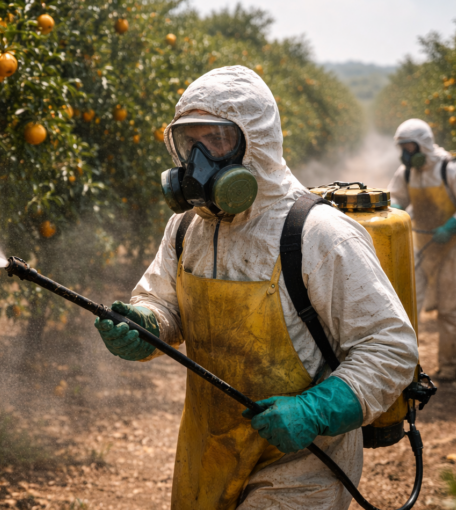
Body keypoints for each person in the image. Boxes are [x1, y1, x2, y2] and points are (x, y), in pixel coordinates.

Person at [92, 66, 419, 510]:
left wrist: (316, 410)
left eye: (217, 140)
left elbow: (391, 346)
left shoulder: (318, 233)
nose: (199, 160)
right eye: (191, 143)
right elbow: (162, 302)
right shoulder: (187, 226)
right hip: (209, 449)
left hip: (302, 462)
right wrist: (144, 322)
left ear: (257, 141)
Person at [387, 119, 456, 381]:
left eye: (409, 148)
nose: (406, 154)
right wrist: (395, 209)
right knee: (405, 306)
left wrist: (452, 226)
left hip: (455, 247)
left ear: (424, 145)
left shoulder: (452, 170)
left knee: (451, 309)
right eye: (403, 149)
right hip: (423, 247)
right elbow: (396, 197)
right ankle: (405, 367)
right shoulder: (407, 173)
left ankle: (451, 367)